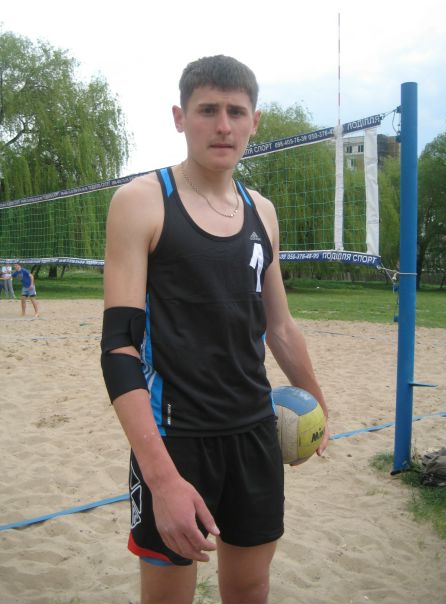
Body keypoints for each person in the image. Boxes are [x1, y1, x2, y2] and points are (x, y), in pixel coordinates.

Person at [101, 55, 329, 604]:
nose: (223, 125)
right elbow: (118, 347)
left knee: (250, 588)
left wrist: (317, 402)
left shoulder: (262, 211)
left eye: (236, 111)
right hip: (176, 439)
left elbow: (280, 327)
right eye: (207, 110)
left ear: (255, 121)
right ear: (180, 118)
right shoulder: (141, 202)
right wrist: (162, 479)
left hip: (255, 432)